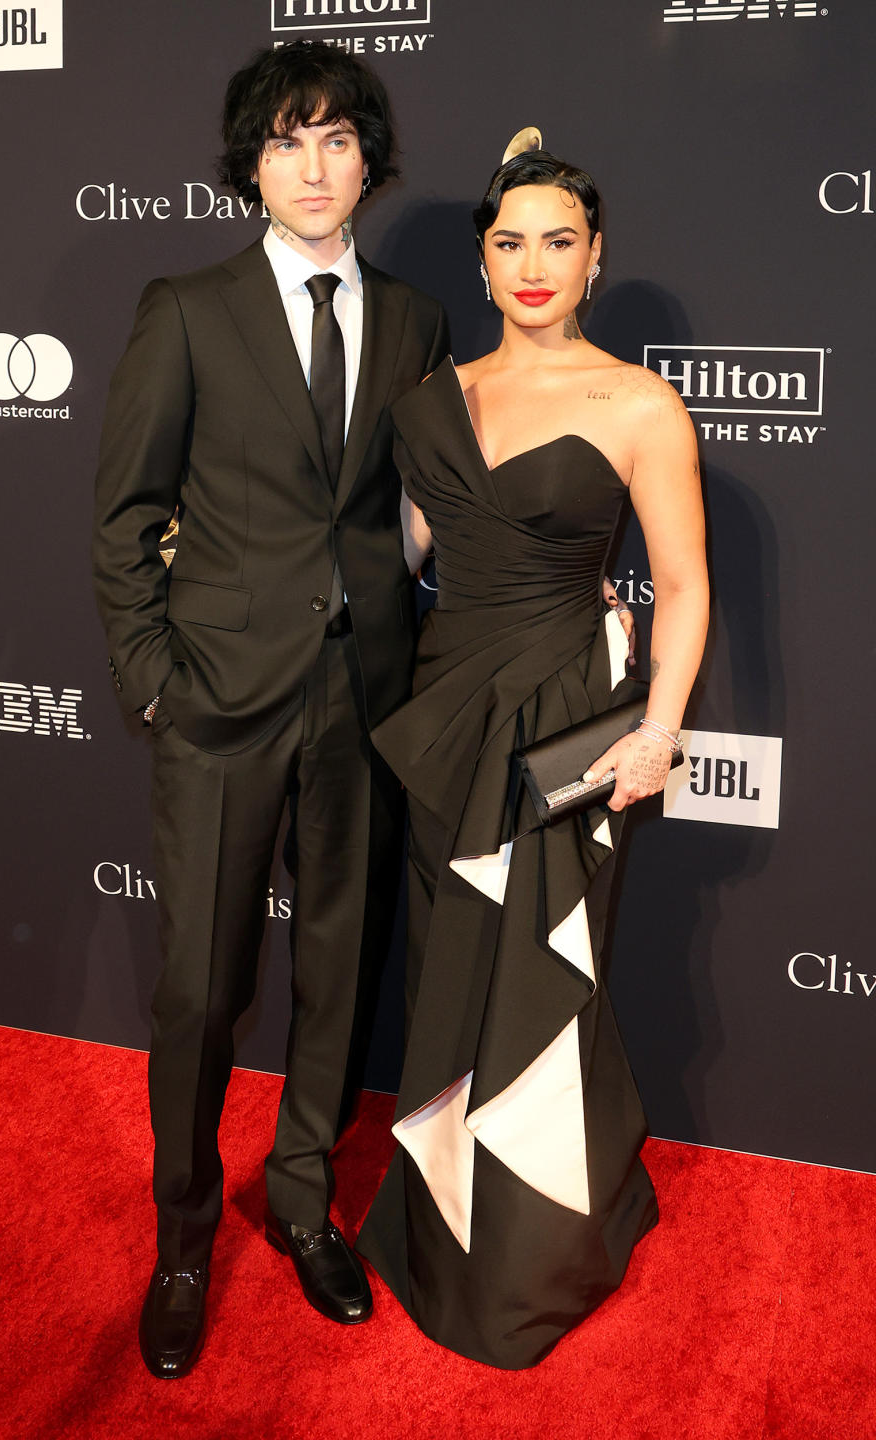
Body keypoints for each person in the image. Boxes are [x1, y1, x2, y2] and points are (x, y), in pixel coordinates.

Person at [92, 41, 449, 1378]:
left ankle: (302, 1203)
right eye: (289, 141)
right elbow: (125, 519)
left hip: (362, 701)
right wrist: (150, 682)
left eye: (339, 139)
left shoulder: (414, 321)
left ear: (369, 161)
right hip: (219, 706)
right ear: (250, 164)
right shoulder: (185, 307)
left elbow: (416, 503)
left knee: (341, 976)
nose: (315, 166)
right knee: (198, 987)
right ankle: (185, 1236)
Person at [357, 149, 709, 1369]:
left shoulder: (639, 405)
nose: (535, 267)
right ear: (484, 260)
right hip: (448, 717)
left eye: (560, 241)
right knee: (451, 975)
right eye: (511, 243)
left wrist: (658, 729)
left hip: (565, 728)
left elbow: (683, 584)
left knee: (547, 977)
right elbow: (399, 558)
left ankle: (535, 1248)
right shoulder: (437, 398)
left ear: (596, 255)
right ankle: (438, 1215)